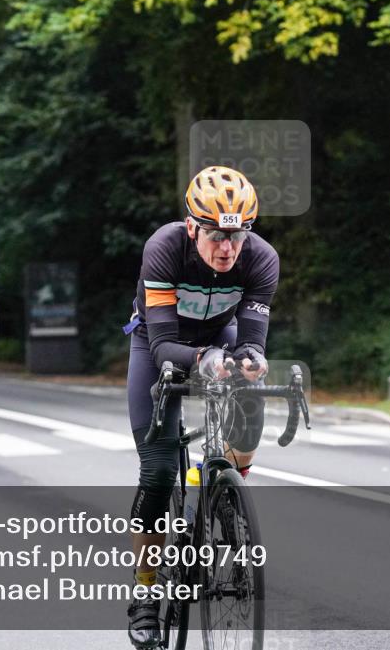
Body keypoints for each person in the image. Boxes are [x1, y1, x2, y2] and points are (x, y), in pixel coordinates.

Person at [123, 166, 278, 648]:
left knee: (250, 403)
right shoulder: (165, 247)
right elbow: (163, 343)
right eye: (216, 235)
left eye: (238, 234)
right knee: (157, 471)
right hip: (159, 343)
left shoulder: (262, 259)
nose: (228, 247)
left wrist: (250, 363)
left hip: (219, 336)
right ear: (193, 227)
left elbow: (251, 344)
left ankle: (226, 494)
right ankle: (145, 594)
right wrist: (203, 360)